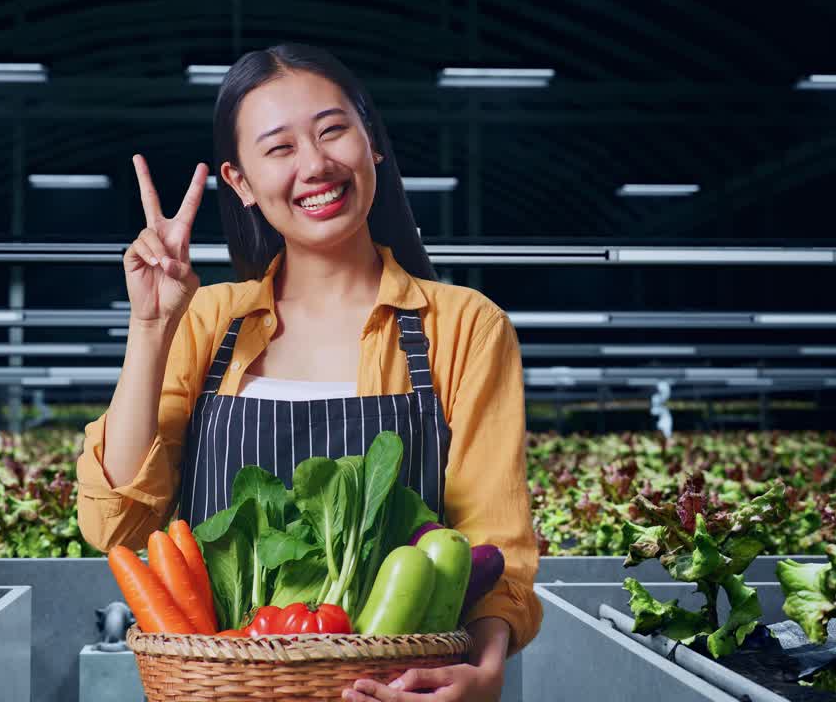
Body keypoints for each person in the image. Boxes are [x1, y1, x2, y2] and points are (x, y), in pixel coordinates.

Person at [76, 42, 541, 701]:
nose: (317, 165)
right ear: (239, 182)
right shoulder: (208, 323)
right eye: (280, 148)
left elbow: (495, 543)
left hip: (392, 691)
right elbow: (116, 526)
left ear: (371, 141)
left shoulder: (462, 326)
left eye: (332, 131)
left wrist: (487, 671)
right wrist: (152, 326)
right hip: (222, 689)